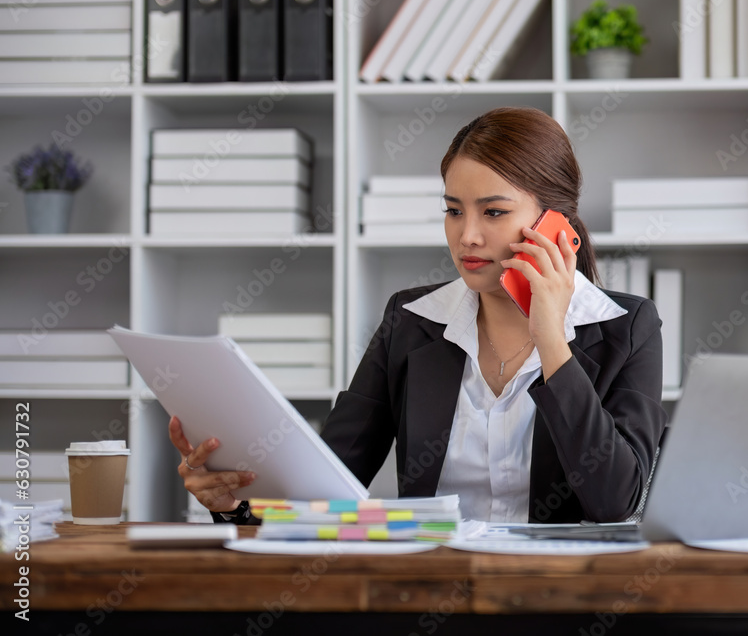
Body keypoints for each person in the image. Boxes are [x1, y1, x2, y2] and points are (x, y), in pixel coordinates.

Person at [169, 106, 668, 524]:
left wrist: (551, 339)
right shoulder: (412, 321)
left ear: (555, 225)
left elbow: (615, 503)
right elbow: (330, 482)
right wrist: (236, 505)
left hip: (560, 601)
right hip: (427, 592)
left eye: (493, 212)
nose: (467, 235)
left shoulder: (627, 328)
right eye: (454, 210)